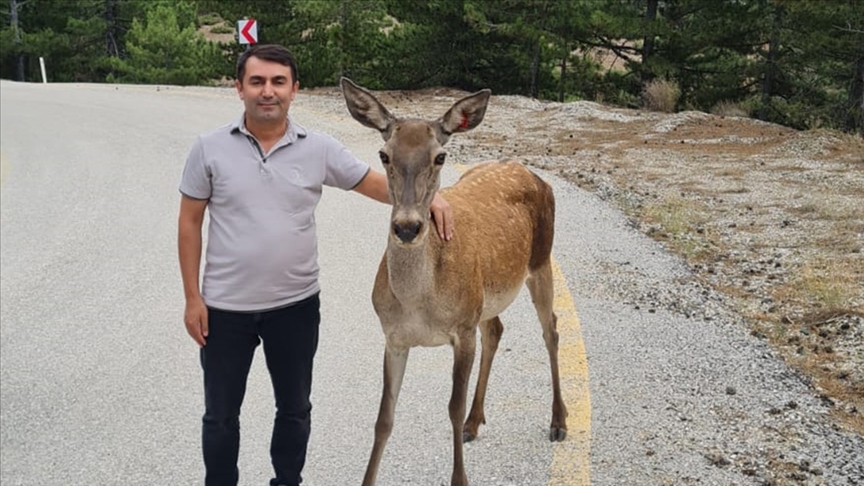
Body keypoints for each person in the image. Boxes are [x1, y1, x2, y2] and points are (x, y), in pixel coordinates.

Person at [177, 44, 454, 486]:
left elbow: (374, 183)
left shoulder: (317, 148)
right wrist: (193, 298)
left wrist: (428, 196)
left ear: (294, 90)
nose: (268, 91)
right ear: (239, 88)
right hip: (224, 310)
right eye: (257, 82)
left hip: (295, 306)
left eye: (278, 82)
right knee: (220, 416)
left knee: (294, 409)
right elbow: (190, 223)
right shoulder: (208, 149)